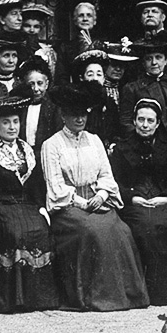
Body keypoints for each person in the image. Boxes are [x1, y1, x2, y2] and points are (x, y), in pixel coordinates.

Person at [42, 84, 150, 311]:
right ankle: (96, 297)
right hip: (68, 207)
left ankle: (128, 295)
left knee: (121, 230)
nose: (80, 119)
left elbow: (106, 175)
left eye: (83, 114)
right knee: (93, 231)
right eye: (74, 114)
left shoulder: (95, 140)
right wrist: (81, 202)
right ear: (63, 116)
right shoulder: (51, 145)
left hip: (97, 200)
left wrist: (101, 194)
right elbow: (55, 187)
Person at [0, 95, 59, 313]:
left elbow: (37, 185)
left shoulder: (27, 151)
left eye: (15, 122)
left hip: (27, 206)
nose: (12, 127)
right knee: (16, 232)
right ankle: (15, 298)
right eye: (6, 122)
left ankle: (39, 298)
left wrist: (42, 207)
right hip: (0, 207)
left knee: (41, 231)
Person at [109, 98, 167, 306]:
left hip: (164, 198)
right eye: (140, 119)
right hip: (137, 202)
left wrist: (166, 197)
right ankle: (156, 293)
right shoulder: (123, 147)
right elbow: (116, 181)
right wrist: (133, 197)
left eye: (150, 120)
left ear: (158, 123)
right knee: (148, 230)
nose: (145, 125)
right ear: (134, 121)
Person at [121, 31, 167, 137]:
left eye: (158, 57)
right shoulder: (133, 88)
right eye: (149, 58)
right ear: (143, 63)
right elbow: (126, 122)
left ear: (166, 61)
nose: (154, 62)